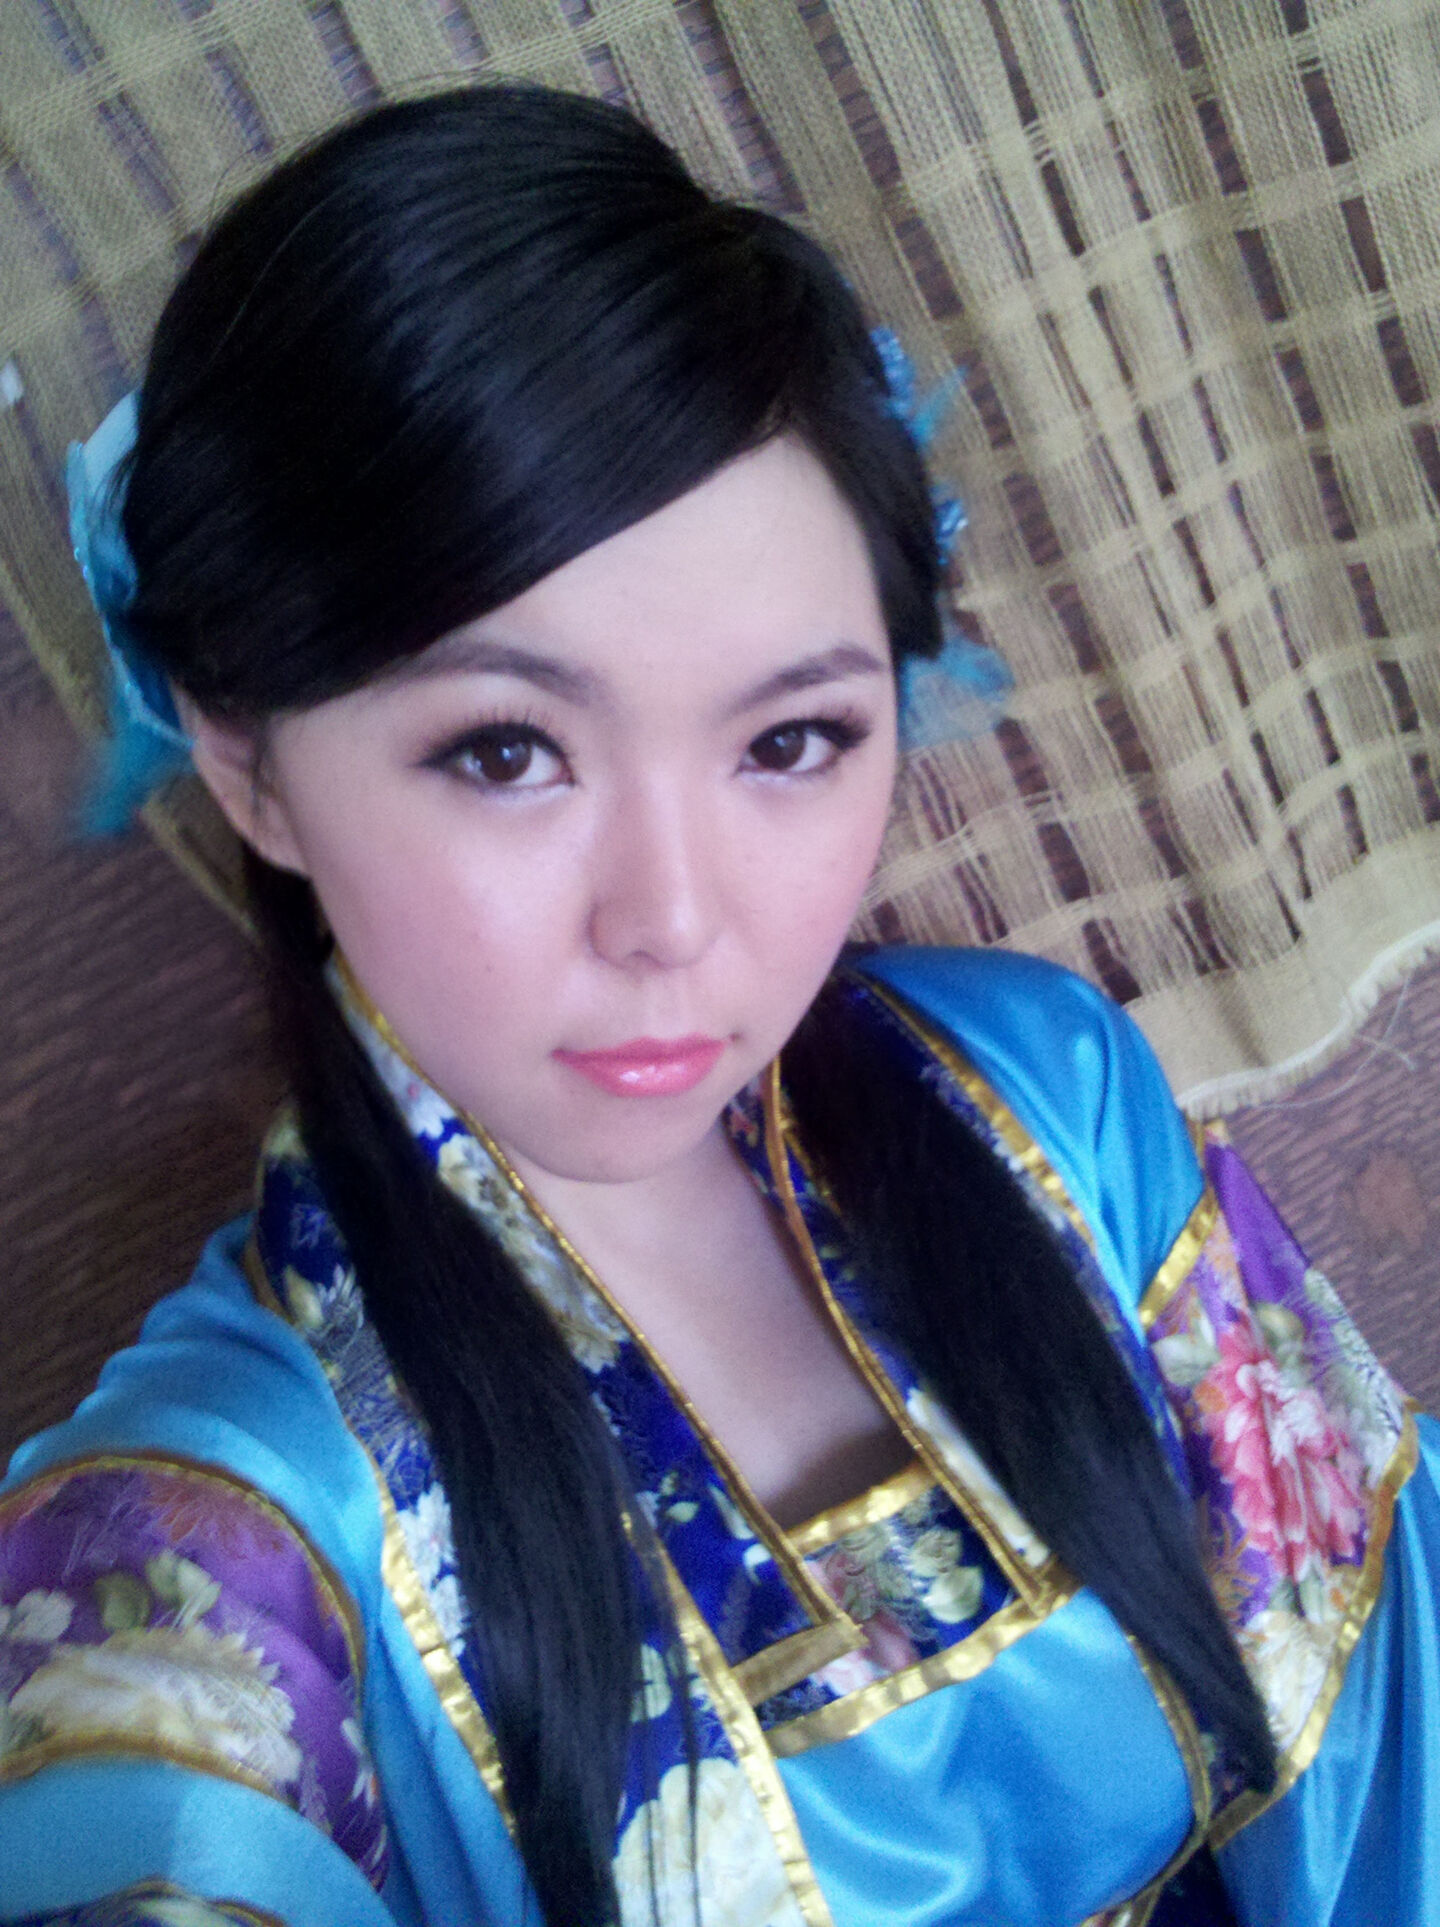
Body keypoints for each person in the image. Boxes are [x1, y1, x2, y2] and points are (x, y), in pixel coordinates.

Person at [1, 83, 1435, 1927]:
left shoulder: (1046, 1089)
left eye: (793, 739)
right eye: (505, 750)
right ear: (247, 763)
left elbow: (1394, 1748)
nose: (676, 922)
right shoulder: (210, 1550)